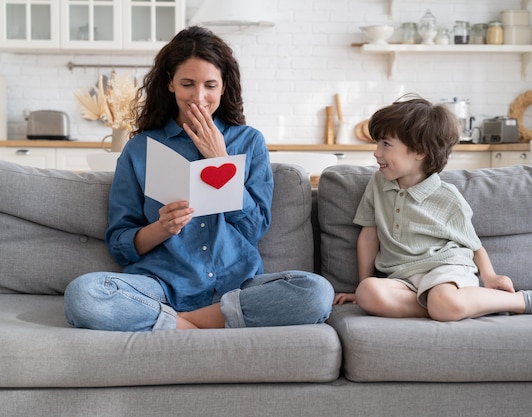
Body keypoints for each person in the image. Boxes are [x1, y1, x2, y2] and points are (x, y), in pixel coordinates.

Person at [64, 26, 334, 331]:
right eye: (188, 84)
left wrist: (220, 161)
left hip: (237, 286)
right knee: (83, 295)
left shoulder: (249, 142)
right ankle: (209, 323)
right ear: (170, 84)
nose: (199, 97)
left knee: (316, 292)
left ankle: (178, 325)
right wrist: (162, 228)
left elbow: (254, 228)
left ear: (223, 86)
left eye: (209, 85)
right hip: (161, 286)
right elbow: (119, 243)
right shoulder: (140, 148)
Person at [333, 96, 532, 321]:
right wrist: (360, 283)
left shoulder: (447, 197)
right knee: (367, 292)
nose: (377, 152)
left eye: (386, 144)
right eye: (378, 143)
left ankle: (518, 301)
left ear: (420, 151)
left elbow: (473, 244)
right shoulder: (378, 184)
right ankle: (457, 307)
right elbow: (368, 236)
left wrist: (489, 276)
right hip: (403, 278)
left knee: (442, 298)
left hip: (445, 269)